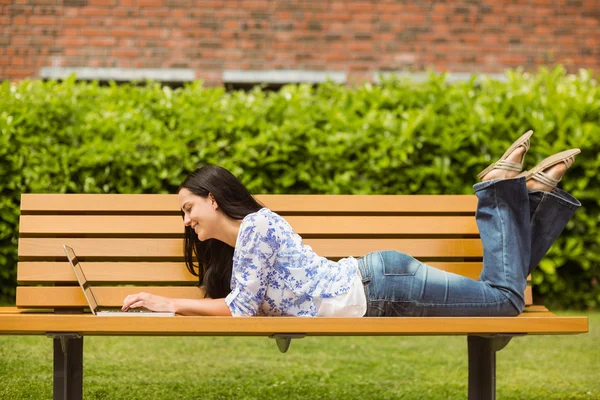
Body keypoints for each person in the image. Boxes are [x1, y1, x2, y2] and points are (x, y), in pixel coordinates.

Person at [121, 130, 581, 317]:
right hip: (380, 288)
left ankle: (502, 191)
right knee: (503, 300)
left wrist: (166, 303)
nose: (186, 221)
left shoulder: (257, 228)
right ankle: (536, 195)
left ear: (213, 199)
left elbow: (240, 310)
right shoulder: (245, 244)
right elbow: (254, 301)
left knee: (505, 303)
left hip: (382, 286)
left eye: (187, 209)